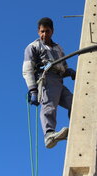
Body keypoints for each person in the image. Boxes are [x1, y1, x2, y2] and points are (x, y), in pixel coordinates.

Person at [22, 17, 76, 149]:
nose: (44, 34)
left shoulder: (58, 48)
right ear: (38, 32)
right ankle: (49, 134)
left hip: (59, 80)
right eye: (42, 31)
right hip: (46, 79)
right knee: (49, 105)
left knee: (75, 103)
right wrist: (33, 90)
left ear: (52, 31)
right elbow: (27, 69)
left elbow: (63, 66)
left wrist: (69, 72)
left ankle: (77, 128)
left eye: (47, 31)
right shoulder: (33, 47)